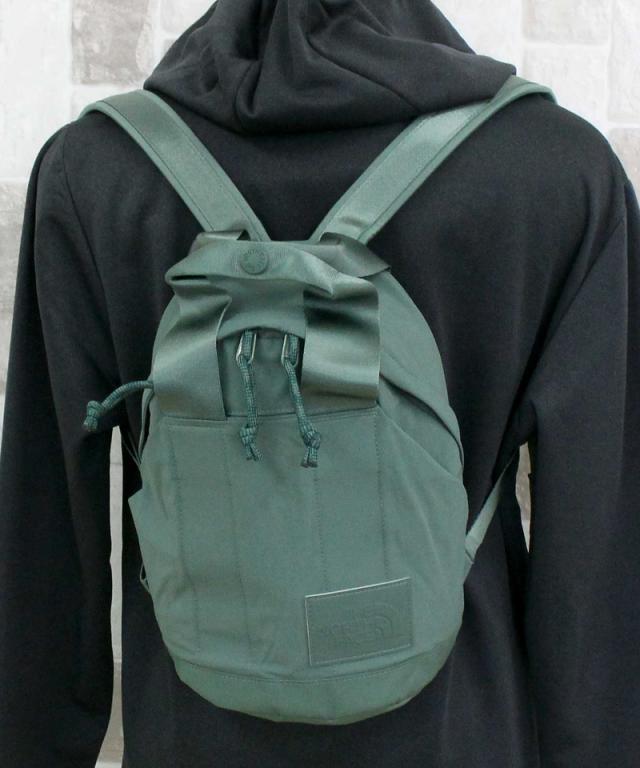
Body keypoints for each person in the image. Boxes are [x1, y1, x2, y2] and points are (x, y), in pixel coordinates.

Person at [1, 2, 638, 766]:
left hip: (191, 735)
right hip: (462, 734)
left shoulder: (90, 170)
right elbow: (599, 545)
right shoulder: (562, 171)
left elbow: (44, 531)